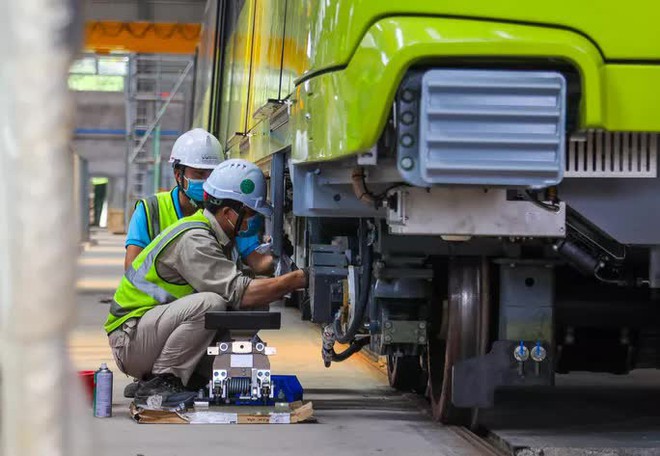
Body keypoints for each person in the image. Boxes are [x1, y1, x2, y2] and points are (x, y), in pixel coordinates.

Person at [105, 159, 307, 403]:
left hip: (146, 331)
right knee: (211, 304)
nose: (250, 223)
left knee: (249, 305)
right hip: (130, 340)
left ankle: (192, 378)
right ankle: (162, 382)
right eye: (249, 215)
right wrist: (297, 279)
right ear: (228, 213)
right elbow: (241, 292)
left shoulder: (210, 234)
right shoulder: (195, 240)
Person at [123, 128, 266, 271]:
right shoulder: (150, 210)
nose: (207, 181)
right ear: (178, 175)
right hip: (162, 293)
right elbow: (132, 269)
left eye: (213, 174)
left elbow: (257, 262)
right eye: (200, 174)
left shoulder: (226, 212)